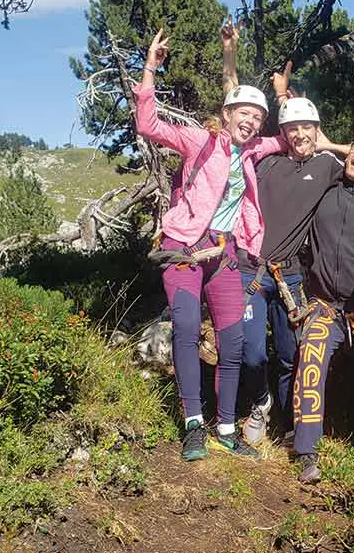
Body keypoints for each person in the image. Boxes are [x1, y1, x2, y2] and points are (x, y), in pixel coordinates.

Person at [135, 28, 284, 462]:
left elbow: (295, 138)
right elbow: (148, 124)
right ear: (227, 112)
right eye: (244, 113)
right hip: (183, 246)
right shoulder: (201, 140)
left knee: (232, 340)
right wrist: (151, 68)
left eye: (257, 118)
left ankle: (225, 427)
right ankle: (193, 425)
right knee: (184, 328)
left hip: (225, 253)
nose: (252, 122)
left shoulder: (252, 151)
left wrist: (320, 133)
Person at [232, 54, 344, 447]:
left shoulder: (329, 165)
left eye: (307, 128)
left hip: (291, 275)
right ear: (284, 132)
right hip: (250, 270)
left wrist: (330, 142)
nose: (299, 135)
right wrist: (233, 59)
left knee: (289, 352)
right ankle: (260, 404)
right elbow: (235, 132)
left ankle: (289, 420)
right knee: (251, 353)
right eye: (292, 128)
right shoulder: (267, 163)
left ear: (317, 129)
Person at [291, 128, 354, 483]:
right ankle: (307, 452)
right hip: (325, 306)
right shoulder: (327, 185)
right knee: (311, 361)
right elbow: (302, 140)